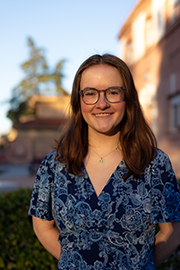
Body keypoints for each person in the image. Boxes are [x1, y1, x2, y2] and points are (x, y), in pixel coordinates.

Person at [28, 54, 180, 270]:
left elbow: (172, 231)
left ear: (128, 99)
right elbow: (42, 227)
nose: (102, 104)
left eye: (113, 92)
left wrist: (138, 265)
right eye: (90, 93)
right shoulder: (54, 165)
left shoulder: (154, 163)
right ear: (78, 101)